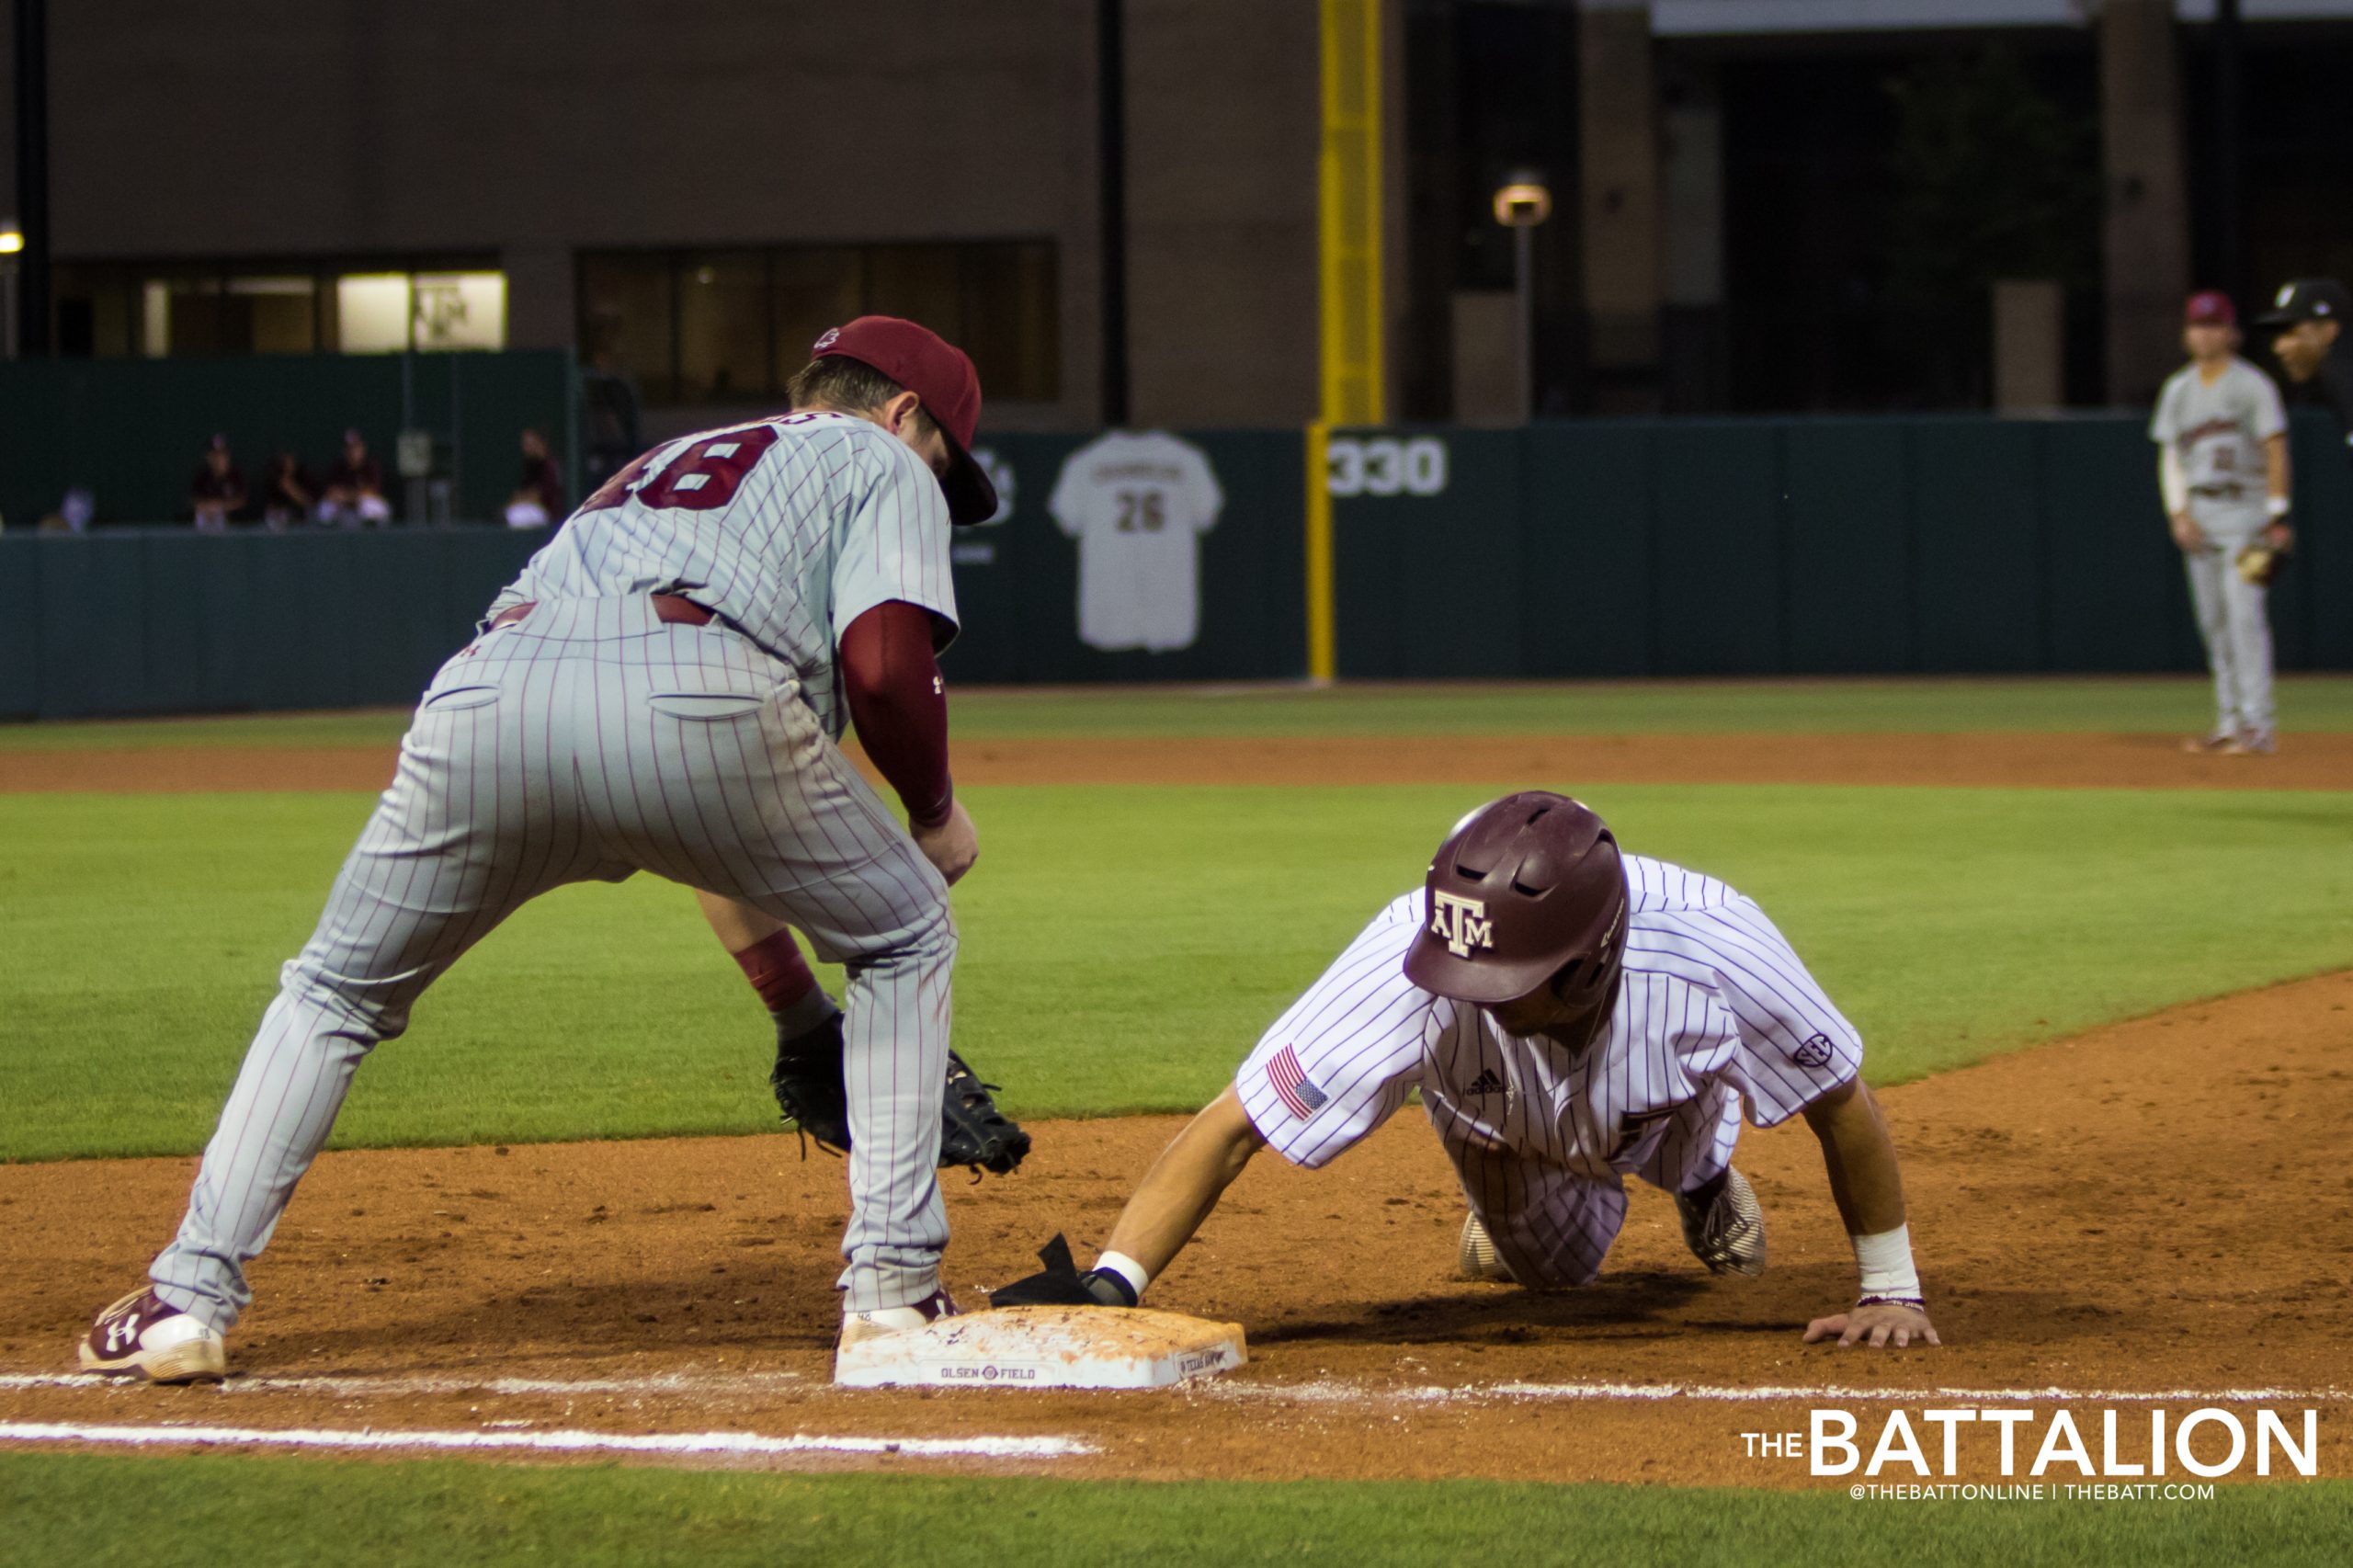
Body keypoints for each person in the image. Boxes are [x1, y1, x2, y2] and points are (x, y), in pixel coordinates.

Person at [79, 316, 1013, 1383]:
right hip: (701, 695)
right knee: (901, 932)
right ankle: (892, 1292)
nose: (935, 483)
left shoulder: (654, 470)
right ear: (903, 414)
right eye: (943, 459)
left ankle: (186, 1297)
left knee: (332, 991)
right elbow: (885, 671)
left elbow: (684, 774)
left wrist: (798, 1013)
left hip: (484, 693)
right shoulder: (877, 457)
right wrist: (933, 809)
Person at [990, 791, 1941, 1353]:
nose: (1473, 989)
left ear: (1589, 960)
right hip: (1494, 1122)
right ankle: (1518, 1206)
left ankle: (1700, 1183)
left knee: (1668, 1112)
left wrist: (1890, 1289)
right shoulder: (1413, 958)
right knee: (1555, 1275)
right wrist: (1114, 1283)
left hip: (1663, 1092)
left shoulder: (1717, 946)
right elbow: (1237, 1121)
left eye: (1508, 979)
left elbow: (1837, 1098)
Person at [2151, 290, 2291, 757]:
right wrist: (2178, 512)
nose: (2204, 333)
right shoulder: (2178, 389)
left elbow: (2275, 449)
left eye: (2214, 325)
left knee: (2245, 617)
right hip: (2201, 516)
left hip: (2248, 515)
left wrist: (2277, 513)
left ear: (2232, 333)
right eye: (2197, 325)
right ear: (2186, 334)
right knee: (2213, 622)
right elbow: (2171, 456)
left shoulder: (2253, 385)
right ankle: (2230, 721)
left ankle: (2258, 725)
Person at [2256, 278, 2353, 455]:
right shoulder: (2322, 379)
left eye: (2290, 333)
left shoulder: (2342, 373)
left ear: (2329, 330)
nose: (2278, 347)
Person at [316, 427, 392, 527]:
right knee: (325, 507)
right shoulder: (338, 467)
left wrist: (348, 496)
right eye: (350, 448)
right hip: (347, 511)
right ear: (345, 450)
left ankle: (373, 535)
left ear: (363, 448)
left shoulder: (371, 466)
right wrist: (348, 497)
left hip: (369, 508)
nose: (353, 452)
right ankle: (328, 538)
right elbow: (330, 492)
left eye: (356, 447)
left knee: (366, 505)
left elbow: (372, 491)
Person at [505, 427, 566, 528]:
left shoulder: (550, 465)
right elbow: (521, 492)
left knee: (517, 515)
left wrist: (521, 499)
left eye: (530, 444)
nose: (526, 448)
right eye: (525, 444)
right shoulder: (530, 464)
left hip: (548, 514)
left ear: (540, 442)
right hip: (530, 509)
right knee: (513, 513)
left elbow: (540, 496)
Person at [189, 436, 247, 533]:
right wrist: (208, 507)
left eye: (222, 455)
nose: (218, 459)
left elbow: (242, 501)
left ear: (227, 456)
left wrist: (219, 507)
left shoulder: (236, 475)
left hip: (233, 526)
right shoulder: (202, 476)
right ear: (208, 456)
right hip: (206, 523)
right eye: (214, 455)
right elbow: (194, 500)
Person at [261, 454, 315, 532]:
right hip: (278, 515)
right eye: (288, 463)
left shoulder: (300, 477)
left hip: (295, 516)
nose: (292, 465)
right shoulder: (278, 480)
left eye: (292, 462)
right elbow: (301, 500)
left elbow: (306, 501)